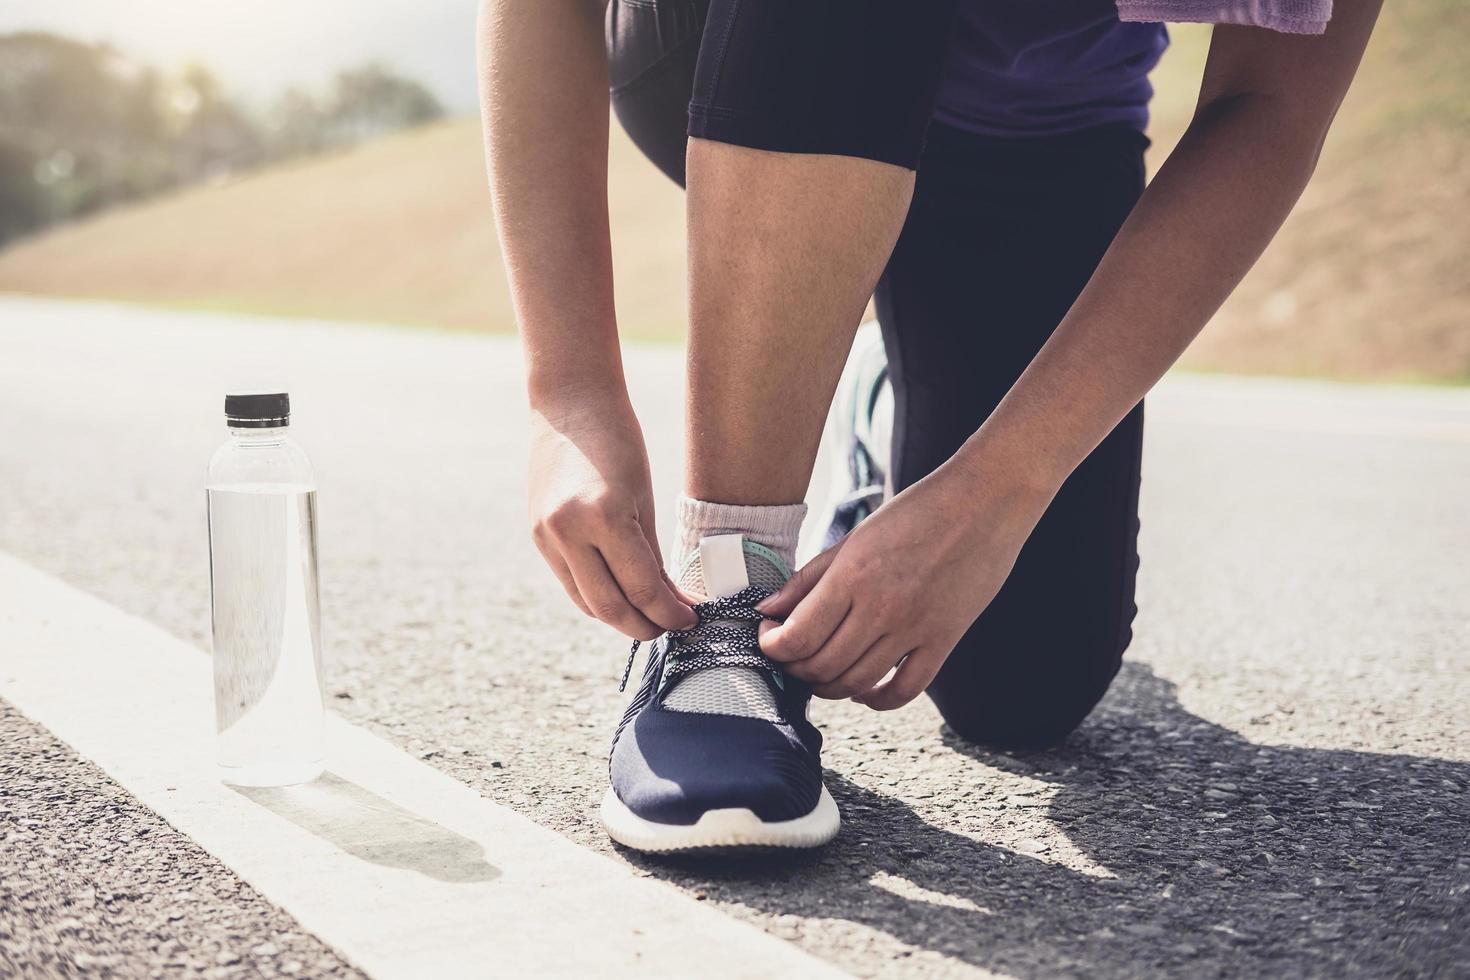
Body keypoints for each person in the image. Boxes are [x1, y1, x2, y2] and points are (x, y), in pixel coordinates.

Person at [478, 0, 1382, 854]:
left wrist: (996, 489)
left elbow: (1269, 102)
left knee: (1023, 689)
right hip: (746, 51)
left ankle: (880, 398)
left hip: (1027, 137)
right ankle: (727, 592)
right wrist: (569, 395)